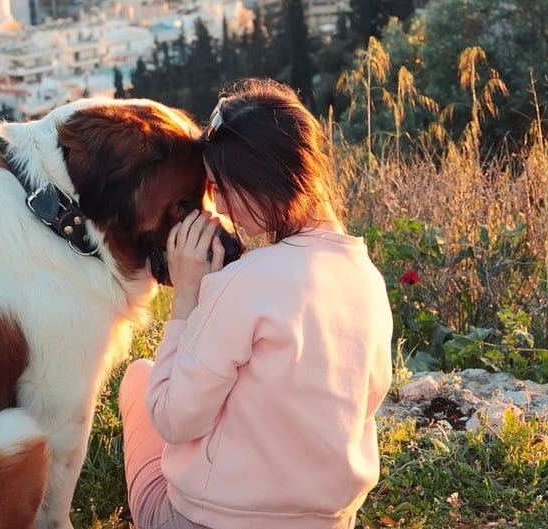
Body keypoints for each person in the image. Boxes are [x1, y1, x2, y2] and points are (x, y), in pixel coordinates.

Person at [117, 78, 394, 529]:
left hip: (205, 520)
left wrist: (187, 295)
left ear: (264, 179)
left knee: (139, 379)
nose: (220, 206)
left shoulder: (246, 283)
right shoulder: (369, 280)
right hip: (329, 520)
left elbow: (173, 419)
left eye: (222, 186)